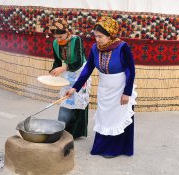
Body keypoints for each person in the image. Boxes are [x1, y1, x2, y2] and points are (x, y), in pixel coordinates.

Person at [66, 16, 137, 158]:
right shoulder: (95, 48)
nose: (97, 39)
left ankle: (116, 149)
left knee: (117, 117)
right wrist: (75, 87)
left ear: (110, 35)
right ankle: (101, 147)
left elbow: (131, 70)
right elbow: (87, 69)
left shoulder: (122, 47)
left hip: (120, 88)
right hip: (105, 88)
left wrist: (127, 93)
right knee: (105, 117)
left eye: (100, 36)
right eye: (95, 36)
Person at [49, 18, 91, 139]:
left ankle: (76, 132)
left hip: (80, 72)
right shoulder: (55, 43)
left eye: (61, 37)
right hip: (68, 72)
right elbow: (57, 62)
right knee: (66, 99)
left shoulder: (76, 40)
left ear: (68, 32)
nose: (58, 40)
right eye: (56, 37)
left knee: (78, 100)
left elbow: (78, 62)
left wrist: (62, 69)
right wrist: (52, 71)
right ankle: (64, 128)